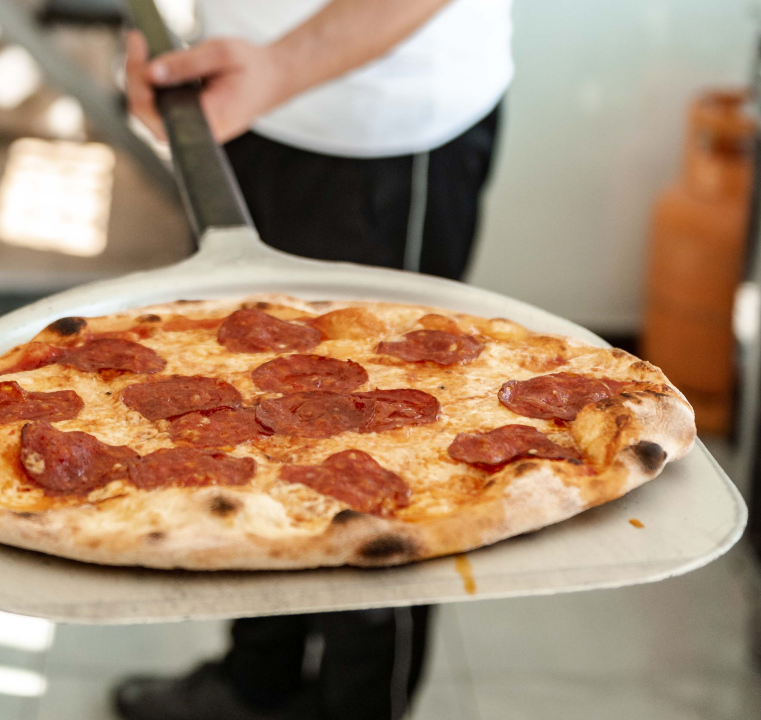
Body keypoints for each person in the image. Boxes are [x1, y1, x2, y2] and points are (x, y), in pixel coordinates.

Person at [115, 1, 511, 718]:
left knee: (382, 470)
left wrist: (280, 68)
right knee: (244, 426)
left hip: (383, 127)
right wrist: (154, 32)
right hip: (238, 95)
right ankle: (257, 680)